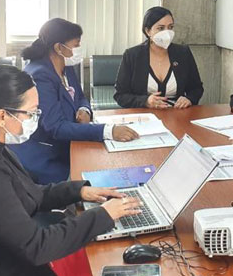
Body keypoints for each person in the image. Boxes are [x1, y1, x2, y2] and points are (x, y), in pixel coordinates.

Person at [0, 65, 206, 276]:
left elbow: (32, 195)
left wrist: (81, 191)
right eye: (31, 113)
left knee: (134, 259)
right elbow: (37, 247)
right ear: (2, 116)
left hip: (19, 269)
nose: (36, 120)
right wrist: (103, 216)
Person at [11, 18, 138, 184]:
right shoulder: (39, 76)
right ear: (59, 47)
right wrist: (108, 131)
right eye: (76, 45)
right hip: (47, 154)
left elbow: (80, 97)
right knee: (91, 179)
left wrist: (84, 110)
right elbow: (55, 127)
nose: (79, 50)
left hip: (70, 143)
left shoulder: (66, 66)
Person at [114, 6, 204, 109]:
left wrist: (189, 99)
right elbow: (120, 95)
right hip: (144, 114)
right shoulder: (132, 55)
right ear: (148, 31)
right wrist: (145, 101)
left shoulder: (183, 53)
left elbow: (196, 88)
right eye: (161, 28)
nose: (167, 33)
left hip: (177, 113)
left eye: (170, 27)